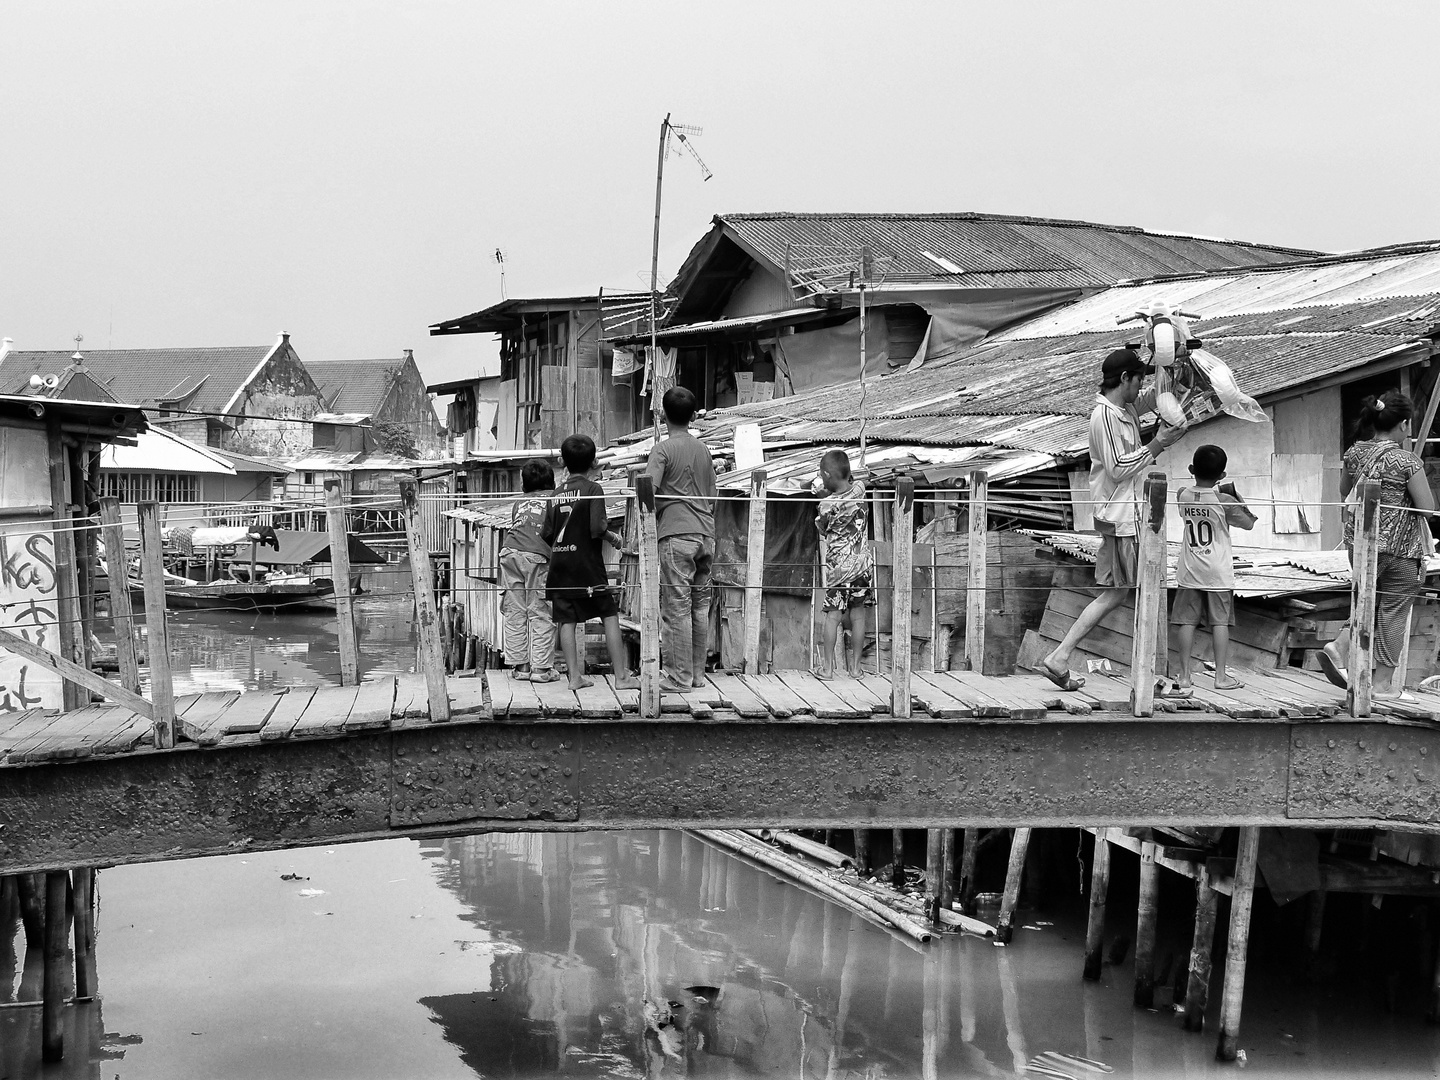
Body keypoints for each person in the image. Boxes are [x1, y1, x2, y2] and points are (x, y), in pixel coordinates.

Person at [1038, 348, 1188, 690]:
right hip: (1120, 515)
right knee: (1133, 591)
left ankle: (1063, 656)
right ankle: (1144, 673)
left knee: (1120, 593)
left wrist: (1174, 369)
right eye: (1137, 380)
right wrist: (1158, 443)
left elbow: (1156, 398)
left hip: (1123, 514)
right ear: (1124, 379)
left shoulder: (1124, 408)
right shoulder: (1104, 417)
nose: (1140, 388)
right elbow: (1119, 468)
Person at [1320, 391, 1436, 699]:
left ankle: (1339, 647)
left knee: (1364, 600)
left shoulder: (1355, 453)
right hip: (1400, 552)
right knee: (1393, 611)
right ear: (1405, 424)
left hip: (1358, 544)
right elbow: (1426, 508)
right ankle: (1382, 685)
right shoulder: (1408, 461)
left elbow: (1345, 490)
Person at [542, 434, 638, 691]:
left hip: (561, 565)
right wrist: (614, 538)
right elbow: (597, 527)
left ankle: (574, 677)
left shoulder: (555, 494)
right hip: (587, 565)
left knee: (567, 620)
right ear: (595, 461)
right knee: (609, 614)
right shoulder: (593, 489)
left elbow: (547, 533)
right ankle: (621, 677)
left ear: (562, 461)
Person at [645, 386, 718, 693]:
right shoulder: (703, 450)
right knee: (700, 607)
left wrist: (664, 507)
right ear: (692, 416)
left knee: (676, 606)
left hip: (676, 535)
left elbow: (646, 491)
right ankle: (697, 675)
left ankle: (678, 678)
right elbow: (712, 494)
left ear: (662, 415)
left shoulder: (662, 449)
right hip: (706, 534)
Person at [1171, 445, 1257, 693]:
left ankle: (1185, 676)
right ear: (1222, 475)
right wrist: (1237, 499)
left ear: (1191, 470)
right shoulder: (1225, 500)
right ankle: (1220, 677)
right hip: (1218, 571)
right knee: (1220, 622)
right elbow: (1249, 523)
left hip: (1189, 569)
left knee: (1186, 621)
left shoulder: (1181, 495)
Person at [814, 449, 873, 678]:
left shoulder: (826, 505)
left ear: (827, 474)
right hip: (862, 567)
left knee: (833, 616)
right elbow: (857, 481)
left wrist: (821, 494)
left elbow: (821, 527)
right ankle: (856, 669)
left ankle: (828, 669)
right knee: (858, 616)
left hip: (840, 571)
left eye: (822, 474)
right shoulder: (860, 491)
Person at [499, 460, 559, 681]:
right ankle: (542, 669)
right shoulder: (555, 499)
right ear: (551, 479)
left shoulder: (519, 502)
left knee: (515, 611)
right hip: (536, 556)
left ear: (524, 483)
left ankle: (521, 668)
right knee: (540, 610)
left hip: (509, 552)